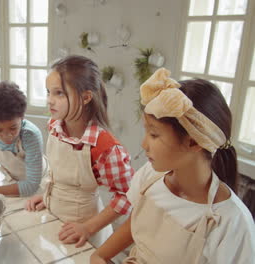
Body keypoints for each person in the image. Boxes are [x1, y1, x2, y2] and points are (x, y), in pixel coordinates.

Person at [90, 68, 255, 264]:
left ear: (194, 142)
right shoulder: (150, 177)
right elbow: (129, 230)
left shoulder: (230, 222)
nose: (144, 144)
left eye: (154, 134)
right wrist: (99, 256)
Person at [25, 55, 134, 248]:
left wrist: (88, 228)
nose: (49, 100)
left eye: (59, 93)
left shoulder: (105, 147)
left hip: (85, 235)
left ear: (85, 97)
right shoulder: (54, 127)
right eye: (48, 92)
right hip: (55, 221)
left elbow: (126, 196)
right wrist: (48, 196)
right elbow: (61, 176)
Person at [0, 81, 46, 196]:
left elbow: (31, 185)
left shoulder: (30, 135)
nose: (7, 135)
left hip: (39, 184)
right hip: (13, 180)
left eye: (13, 127)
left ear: (22, 117)